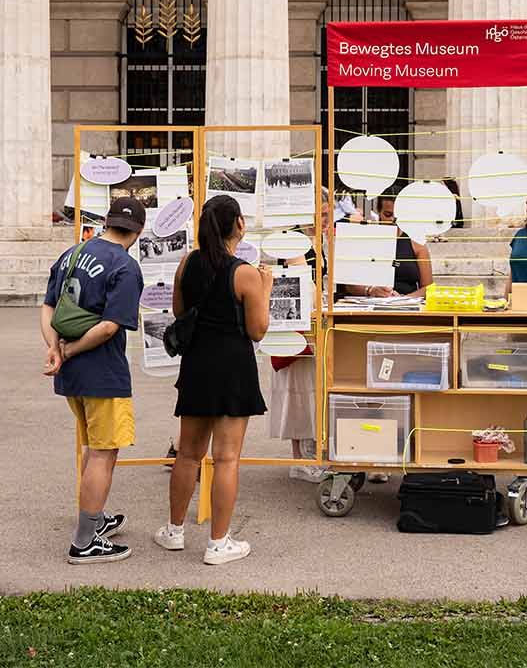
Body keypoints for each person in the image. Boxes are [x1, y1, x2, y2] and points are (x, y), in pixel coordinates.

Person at [157, 194, 272, 566]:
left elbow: (179, 311)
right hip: (233, 367)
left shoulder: (187, 262)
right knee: (226, 458)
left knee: (188, 453)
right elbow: (257, 330)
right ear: (238, 224)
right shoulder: (245, 273)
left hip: (196, 364)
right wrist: (265, 291)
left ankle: (174, 531)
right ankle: (218, 542)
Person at [40, 195, 147, 565]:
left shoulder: (73, 253)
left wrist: (55, 349)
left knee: (92, 446)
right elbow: (108, 328)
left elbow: (48, 306)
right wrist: (68, 352)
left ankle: (95, 517)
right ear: (139, 231)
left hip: (72, 375)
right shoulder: (125, 266)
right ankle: (85, 540)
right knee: (104, 451)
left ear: (107, 222)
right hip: (102, 371)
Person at [271, 191, 332, 483]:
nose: (323, 221)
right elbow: (300, 279)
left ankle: (312, 452)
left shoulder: (319, 243)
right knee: (297, 388)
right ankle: (299, 458)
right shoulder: (294, 241)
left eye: (326, 215)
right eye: (319, 215)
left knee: (312, 388)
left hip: (313, 318)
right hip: (295, 321)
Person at [346, 194, 433, 298]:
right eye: (388, 215)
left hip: (406, 303)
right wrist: (370, 290)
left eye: (398, 216)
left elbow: (428, 288)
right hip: (369, 302)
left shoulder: (416, 243)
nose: (393, 220)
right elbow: (349, 284)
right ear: (379, 212)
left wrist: (403, 299)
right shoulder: (365, 239)